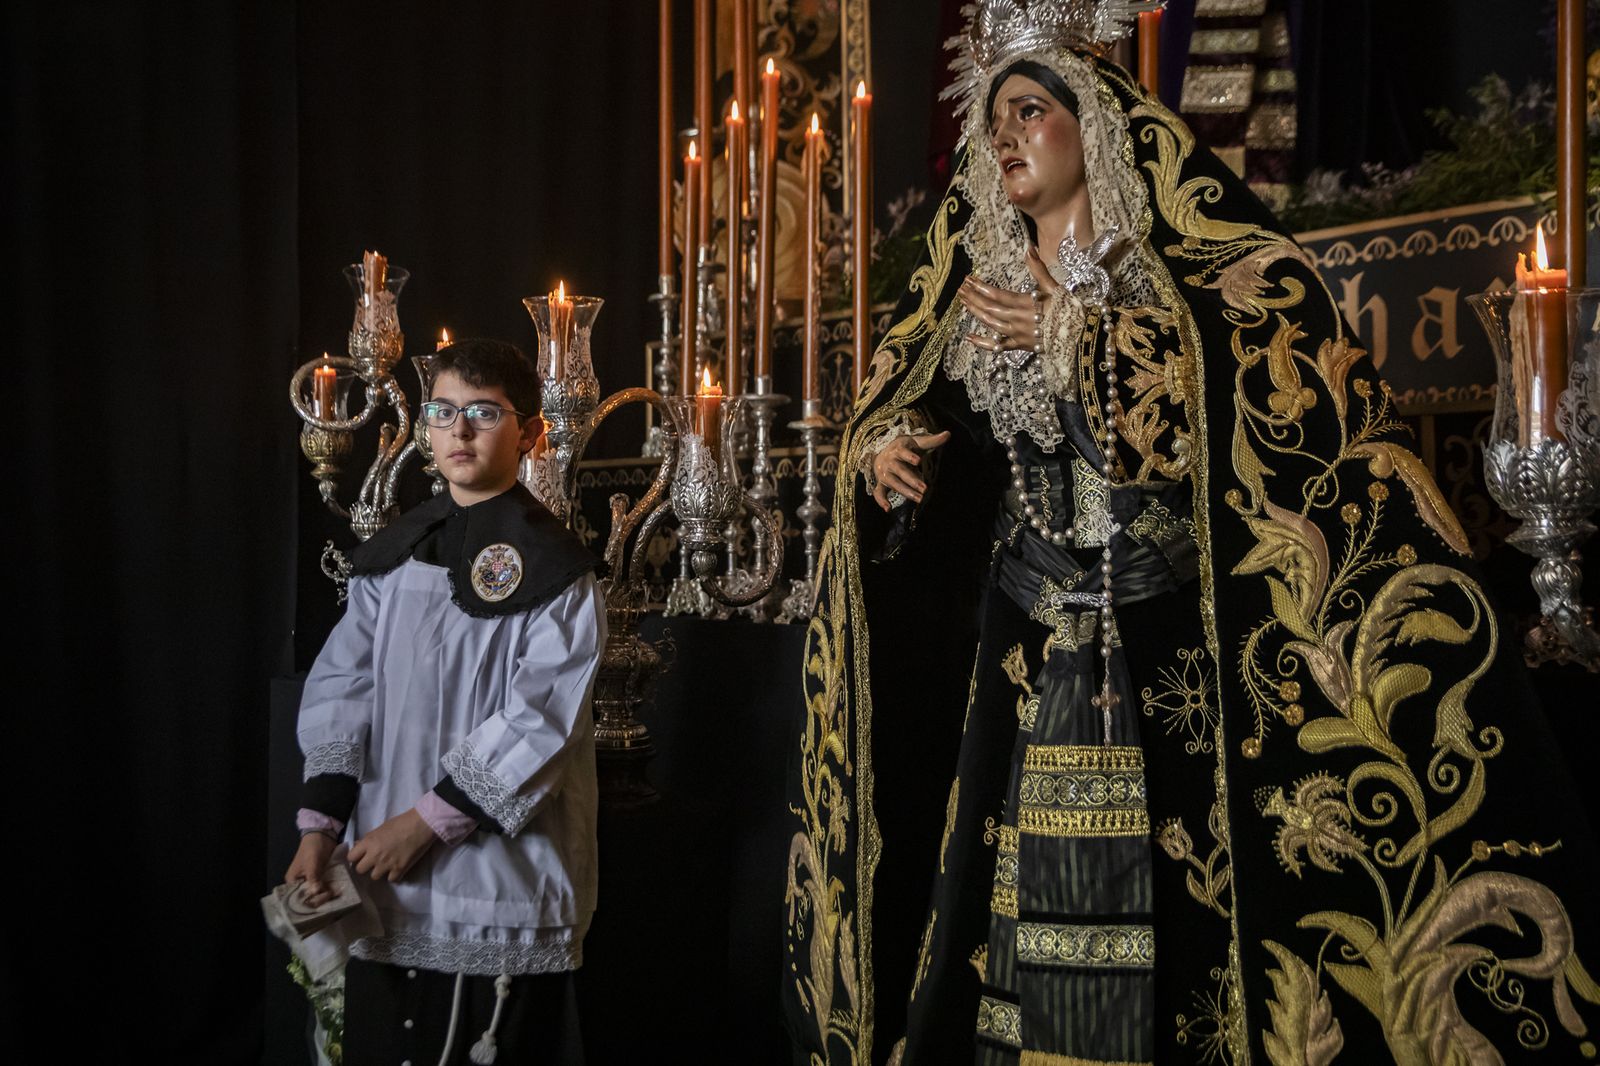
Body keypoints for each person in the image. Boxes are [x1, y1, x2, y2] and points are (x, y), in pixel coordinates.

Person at [782, 3, 1600, 1064]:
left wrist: (1086, 337)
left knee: (1182, 899)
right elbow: (915, 411)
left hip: (1163, 626)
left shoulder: (1193, 279)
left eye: (1031, 110)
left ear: (1101, 126)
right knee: (1012, 896)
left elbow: (1251, 406)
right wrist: (884, 451)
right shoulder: (968, 291)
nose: (1005, 138)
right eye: (994, 122)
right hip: (1026, 632)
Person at [286, 337, 605, 1065]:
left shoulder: (559, 572)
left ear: (531, 433)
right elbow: (344, 687)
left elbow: (540, 721)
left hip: (493, 884)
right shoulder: (393, 556)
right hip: (379, 874)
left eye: (484, 414)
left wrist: (425, 823)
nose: (459, 431)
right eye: (444, 411)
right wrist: (319, 828)